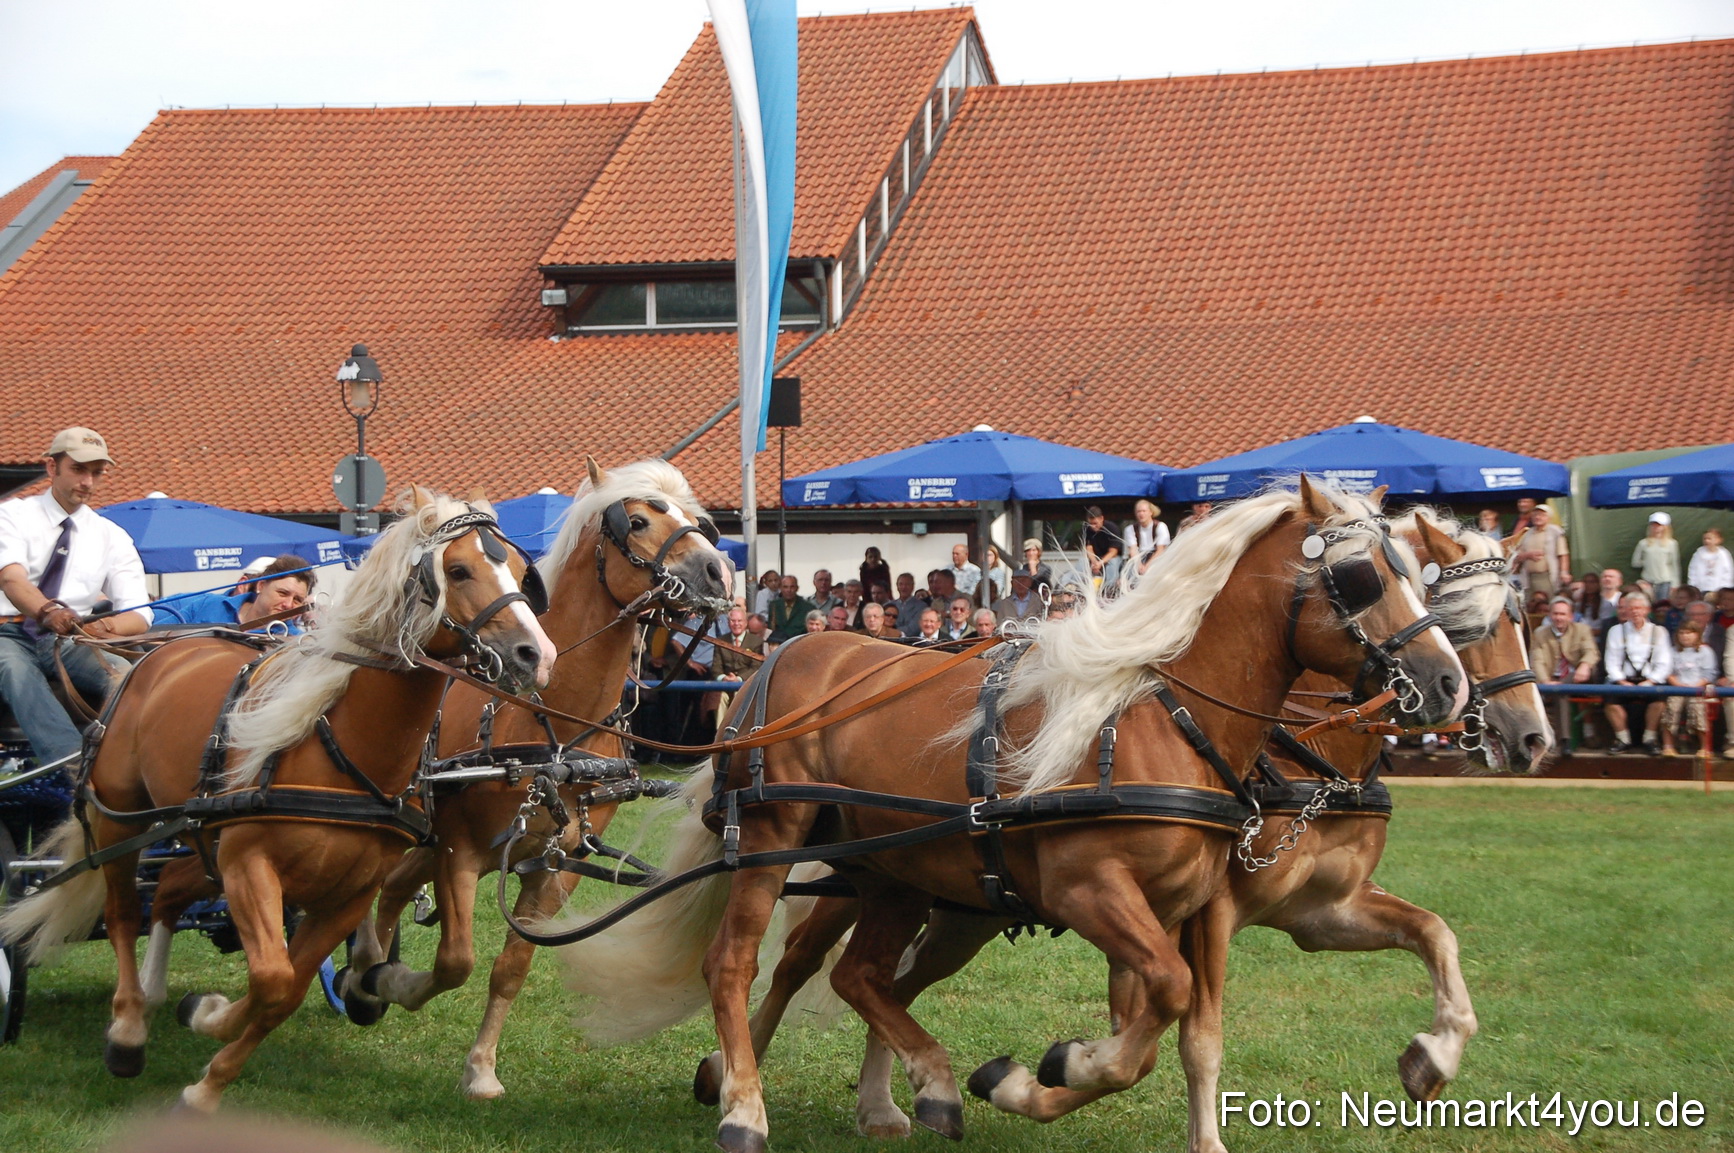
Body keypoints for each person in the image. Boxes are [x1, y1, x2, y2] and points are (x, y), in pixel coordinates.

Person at [0, 428, 154, 766]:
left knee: (123, 674)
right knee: (16, 673)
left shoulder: (112, 536)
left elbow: (140, 613)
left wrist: (107, 628)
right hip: (8, 633)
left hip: (71, 638)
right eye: (78, 470)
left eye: (96, 473)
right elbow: (11, 579)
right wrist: (47, 611)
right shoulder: (11, 515)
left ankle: (133, 764)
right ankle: (74, 769)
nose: (88, 481)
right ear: (52, 468)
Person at [154, 554, 316, 633]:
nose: (288, 604)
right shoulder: (209, 604)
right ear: (260, 586)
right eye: (282, 593)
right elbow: (154, 634)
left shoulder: (295, 643)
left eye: (297, 600)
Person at [1603, 591, 1671, 754]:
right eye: (1631, 608)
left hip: (1650, 680)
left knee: (1659, 700)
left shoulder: (1659, 631)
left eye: (1639, 608)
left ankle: (1650, 739)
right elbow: (1611, 661)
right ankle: (1622, 739)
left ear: (1647, 610)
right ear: (1625, 610)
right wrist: (1622, 681)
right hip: (1624, 680)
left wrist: (1650, 682)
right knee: (1610, 699)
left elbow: (1664, 663)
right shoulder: (1616, 631)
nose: (1635, 612)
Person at [1663, 621, 1716, 756]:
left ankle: (1705, 747)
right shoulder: (1672, 651)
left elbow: (1710, 673)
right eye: (1682, 633)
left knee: (1698, 708)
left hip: (1698, 688)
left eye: (1689, 633)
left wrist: (1696, 686)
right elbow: (1668, 672)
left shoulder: (1706, 651)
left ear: (1697, 634)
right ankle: (1668, 745)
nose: (1685, 636)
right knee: (1671, 708)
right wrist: (1678, 685)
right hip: (1677, 688)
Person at [1532, 597, 1599, 686]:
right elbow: (1537, 661)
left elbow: (1591, 651)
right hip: (1552, 676)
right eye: (1555, 614)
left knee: (1589, 670)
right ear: (1549, 615)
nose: (1558, 618)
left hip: (1577, 674)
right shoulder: (1540, 633)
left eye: (1562, 614)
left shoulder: (1582, 630)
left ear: (1571, 617)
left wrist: (1584, 665)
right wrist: (1545, 681)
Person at [1512, 504, 1568, 597]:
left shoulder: (1555, 532)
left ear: (1549, 517)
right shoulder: (1527, 533)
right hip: (1528, 578)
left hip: (1547, 577)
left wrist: (1564, 572)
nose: (1538, 517)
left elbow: (1563, 554)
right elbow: (1517, 555)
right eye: (1535, 514)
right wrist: (1528, 555)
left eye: (1542, 515)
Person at [1631, 512, 1680, 603]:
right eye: (1653, 525)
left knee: (1662, 605)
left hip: (1665, 582)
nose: (1656, 528)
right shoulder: (1643, 543)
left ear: (1665, 527)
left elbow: (1674, 564)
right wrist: (1647, 562)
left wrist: (1675, 584)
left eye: (1659, 525)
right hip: (1647, 581)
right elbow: (1635, 562)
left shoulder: (1672, 544)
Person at [1122, 499, 1169, 577]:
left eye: (1144, 511)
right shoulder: (1130, 529)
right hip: (1138, 557)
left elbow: (1161, 550)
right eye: (1138, 511)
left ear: (1151, 512)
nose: (1141, 514)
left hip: (1156, 557)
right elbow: (1133, 550)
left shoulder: (1160, 526)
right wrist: (1139, 566)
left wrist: (1147, 566)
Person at [766, 575, 817, 644]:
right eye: (785, 587)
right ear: (780, 588)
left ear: (797, 588)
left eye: (792, 587)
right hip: (779, 645)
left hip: (799, 644)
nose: (788, 590)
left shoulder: (808, 607)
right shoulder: (774, 605)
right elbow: (771, 627)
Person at [1080, 506, 1122, 590]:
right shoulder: (1087, 529)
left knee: (1112, 564)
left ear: (1101, 518)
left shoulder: (1112, 528)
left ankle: (1109, 589)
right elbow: (1088, 547)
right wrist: (1094, 561)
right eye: (1091, 523)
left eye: (1095, 523)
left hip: (1111, 557)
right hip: (1096, 558)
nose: (1093, 526)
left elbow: (1113, 552)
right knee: (1082, 561)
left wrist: (1100, 563)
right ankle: (1080, 587)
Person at [1687, 528, 1732, 595]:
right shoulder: (1699, 553)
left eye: (1709, 539)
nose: (1707, 541)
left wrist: (1725, 587)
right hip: (1701, 589)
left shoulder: (1723, 554)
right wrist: (1693, 586)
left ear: (1718, 540)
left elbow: (1728, 572)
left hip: (1718, 590)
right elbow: (1692, 570)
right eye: (1705, 539)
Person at [891, 572, 927, 639]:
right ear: (897, 586)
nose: (904, 587)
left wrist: (891, 632)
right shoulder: (890, 605)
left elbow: (914, 628)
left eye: (907, 584)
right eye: (901, 584)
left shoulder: (921, 606)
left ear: (913, 586)